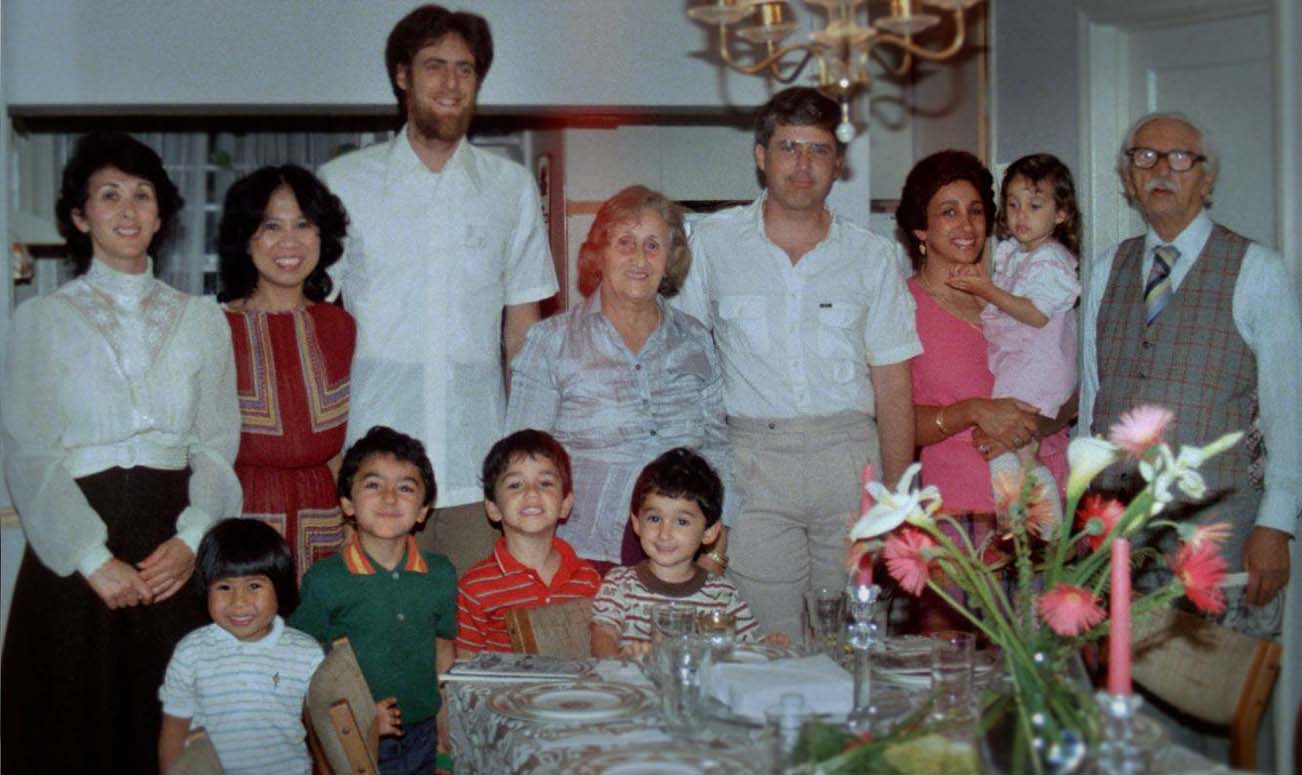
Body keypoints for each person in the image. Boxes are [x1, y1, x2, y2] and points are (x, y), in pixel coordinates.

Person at [0, 131, 242, 774]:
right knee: (70, 727)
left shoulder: (203, 320)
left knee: (177, 733)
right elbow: (28, 454)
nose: (128, 210)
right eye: (109, 196)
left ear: (161, 215)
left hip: (173, 543)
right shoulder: (39, 321)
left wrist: (191, 540)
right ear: (81, 217)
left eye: (142, 195)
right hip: (74, 550)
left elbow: (217, 443)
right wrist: (92, 559)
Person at [319, 4, 557, 578]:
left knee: (478, 641)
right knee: (373, 644)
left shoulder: (511, 188)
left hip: (478, 468)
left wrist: (523, 456)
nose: (451, 83)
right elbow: (316, 326)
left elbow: (523, 332)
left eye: (466, 69)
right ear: (402, 76)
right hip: (374, 469)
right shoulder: (344, 183)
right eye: (434, 66)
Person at [675, 87, 920, 638]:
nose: (802, 164)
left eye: (818, 150)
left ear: (838, 163)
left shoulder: (872, 256)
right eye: (788, 147)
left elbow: (893, 384)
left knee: (850, 635)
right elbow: (685, 364)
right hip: (753, 465)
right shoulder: (710, 244)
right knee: (768, 636)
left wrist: (895, 500)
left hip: (850, 462)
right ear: (761, 156)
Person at [1081, 112, 1301, 637]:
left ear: (1207, 179)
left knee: (1209, 699)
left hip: (1217, 533)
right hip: (1121, 535)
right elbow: (1094, 399)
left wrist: (1276, 525)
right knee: (1121, 692)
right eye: (1144, 157)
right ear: (1129, 179)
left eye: (1180, 158)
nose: (1161, 169)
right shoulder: (1105, 267)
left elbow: (1289, 412)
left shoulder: (1257, 270)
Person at [505, 185, 733, 572]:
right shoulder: (552, 342)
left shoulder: (695, 339)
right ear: (599, 253)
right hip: (584, 555)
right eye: (625, 242)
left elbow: (718, 449)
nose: (639, 259)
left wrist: (714, 548)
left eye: (653, 245)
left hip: (682, 554)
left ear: (670, 258)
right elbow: (525, 460)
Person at [895, 150, 1073, 632]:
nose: (967, 224)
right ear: (920, 230)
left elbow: (1072, 387)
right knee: (952, 673)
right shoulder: (900, 307)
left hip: (1040, 508)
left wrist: (1030, 423)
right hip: (956, 516)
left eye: (975, 210)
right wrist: (974, 411)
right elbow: (892, 423)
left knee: (1036, 670)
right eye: (948, 211)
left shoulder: (1018, 293)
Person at [158, 519, 396, 774]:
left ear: (278, 588)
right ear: (206, 590)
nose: (239, 602)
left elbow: (325, 728)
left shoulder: (306, 653)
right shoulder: (191, 653)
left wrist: (368, 722)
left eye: (254, 586)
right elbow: (174, 729)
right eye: (224, 587)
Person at [290, 426, 457, 775]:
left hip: (425, 733)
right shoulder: (324, 580)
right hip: (355, 738)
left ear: (424, 509)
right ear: (347, 503)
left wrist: (445, 732)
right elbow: (306, 671)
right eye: (373, 484)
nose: (390, 497)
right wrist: (360, 715)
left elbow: (443, 653)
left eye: (406, 487)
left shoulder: (439, 573)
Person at [218, 165, 355, 580]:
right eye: (271, 226)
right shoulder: (213, 328)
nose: (289, 241)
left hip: (326, 521)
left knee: (322, 642)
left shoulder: (339, 325)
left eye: (303, 224)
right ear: (246, 238)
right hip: (241, 518)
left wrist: (352, 530)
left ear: (322, 236)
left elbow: (337, 447)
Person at [945, 153, 1081, 518]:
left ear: (1061, 213)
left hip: (1038, 369)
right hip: (1021, 365)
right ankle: (1022, 521)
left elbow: (1034, 313)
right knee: (1015, 452)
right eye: (1014, 205)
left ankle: (1039, 524)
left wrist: (987, 291)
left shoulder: (1051, 260)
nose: (1022, 215)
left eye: (1035, 206)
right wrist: (978, 289)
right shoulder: (1016, 255)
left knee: (1011, 448)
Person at [591, 448, 762, 657]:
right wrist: (616, 662)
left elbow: (752, 648)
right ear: (636, 523)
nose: (665, 533)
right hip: (635, 685)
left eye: (681, 521)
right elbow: (603, 635)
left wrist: (771, 646)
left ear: (709, 532)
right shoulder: (619, 584)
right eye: (654, 518)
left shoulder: (722, 594)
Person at [455, 429, 602, 655]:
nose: (532, 492)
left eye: (545, 483)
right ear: (493, 508)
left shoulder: (589, 579)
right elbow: (466, 670)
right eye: (515, 485)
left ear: (565, 504)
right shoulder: (474, 588)